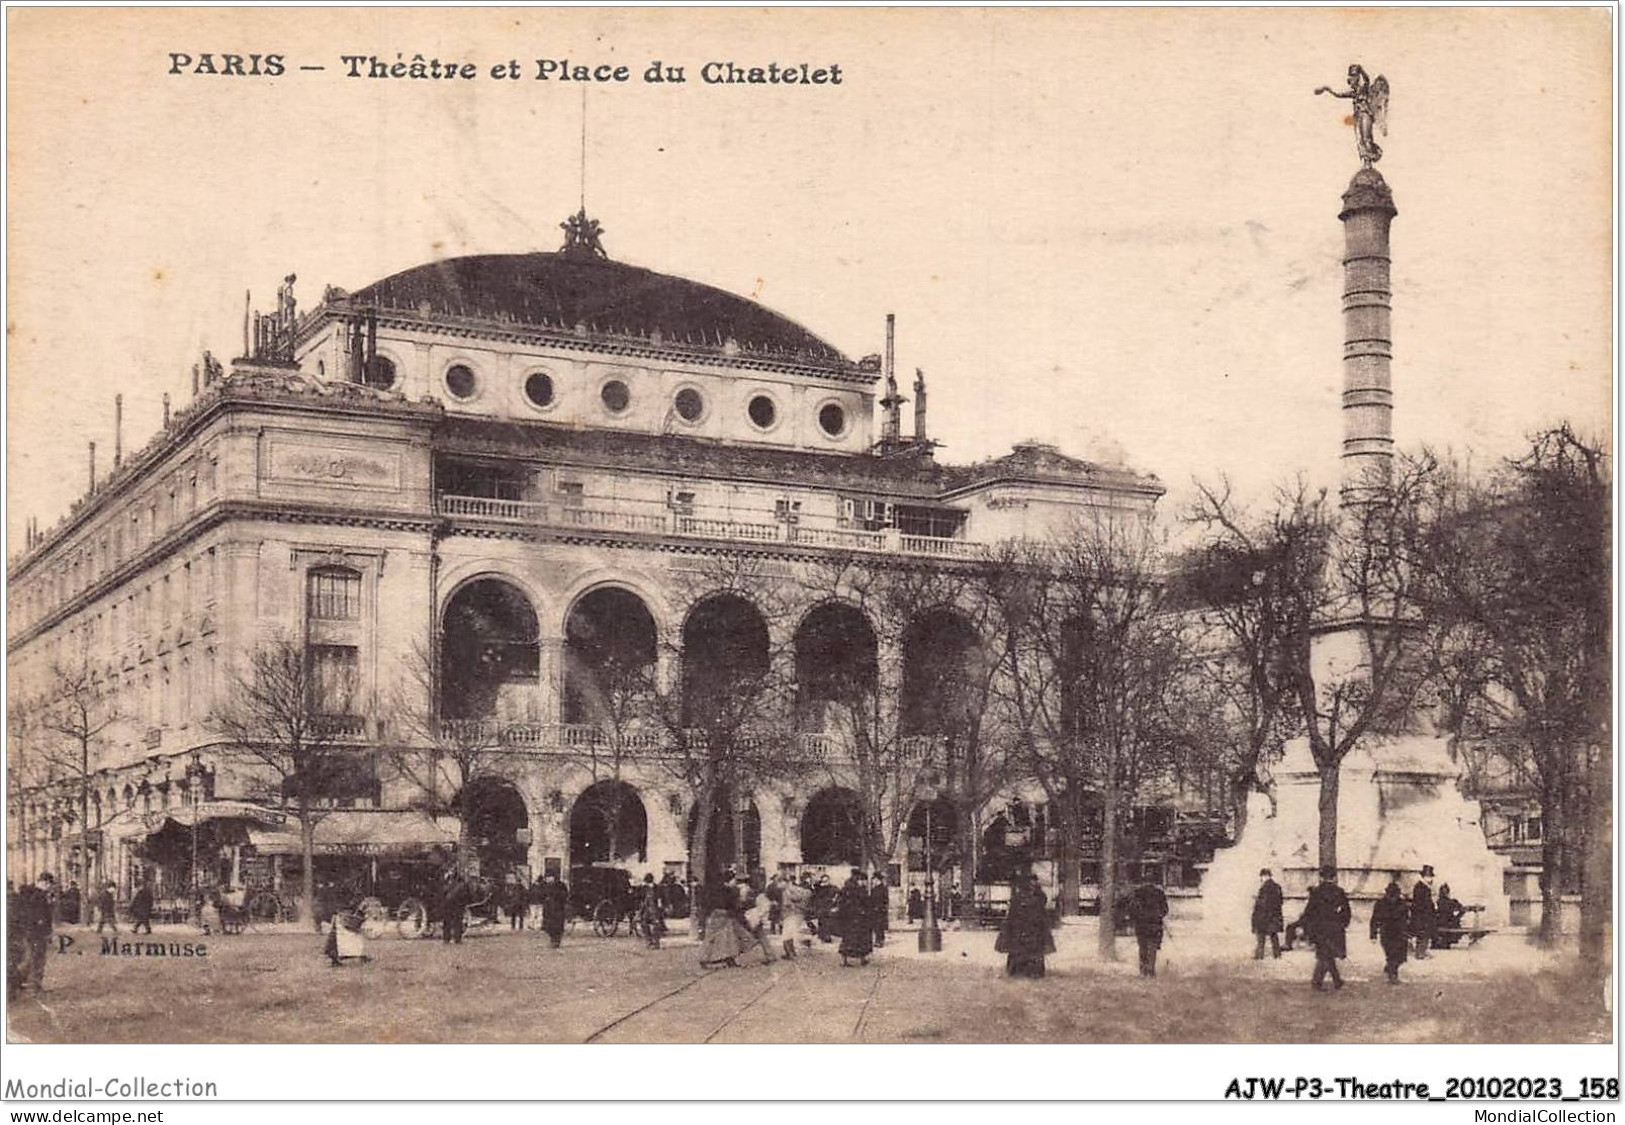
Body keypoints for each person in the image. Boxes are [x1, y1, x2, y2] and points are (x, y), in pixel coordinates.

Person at [1301, 866, 1351, 992]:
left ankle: (1329, 981)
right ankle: (1328, 981)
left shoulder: (1316, 892)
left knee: (1325, 954)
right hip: (1334, 929)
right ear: (1334, 878)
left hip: (1319, 929)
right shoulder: (1339, 892)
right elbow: (1346, 911)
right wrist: (1342, 924)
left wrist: (1307, 929)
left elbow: (1309, 912)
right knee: (1327, 955)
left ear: (1321, 877)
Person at [997, 872, 1055, 978]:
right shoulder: (1019, 897)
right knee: (1019, 949)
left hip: (1035, 927)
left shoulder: (1038, 896)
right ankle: (1017, 970)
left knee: (1034, 950)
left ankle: (1034, 971)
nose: (1033, 883)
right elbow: (1013, 913)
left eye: (1034, 881)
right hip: (1021, 927)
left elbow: (1042, 906)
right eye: (1031, 881)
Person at [14, 873, 56, 996]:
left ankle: (17, 982)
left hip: (29, 932)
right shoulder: (40, 896)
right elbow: (41, 917)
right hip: (38, 933)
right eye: (49, 884)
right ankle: (35, 987)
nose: (50, 887)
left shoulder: (28, 894)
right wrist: (46, 931)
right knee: (38, 959)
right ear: (45, 882)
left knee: (30, 958)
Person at [1369, 874, 1410, 984]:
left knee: (1401, 957)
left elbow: (1407, 919)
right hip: (1387, 933)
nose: (1392, 897)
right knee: (1392, 955)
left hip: (1400, 933)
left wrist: (1409, 932)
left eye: (1395, 895)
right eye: (1390, 895)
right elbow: (1374, 920)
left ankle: (1389, 968)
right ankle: (1393, 976)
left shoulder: (1402, 904)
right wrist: (1373, 935)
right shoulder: (1381, 904)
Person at [1127, 875, 1170, 977]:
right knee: (1152, 947)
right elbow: (1165, 910)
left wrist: (1135, 918)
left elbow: (1132, 908)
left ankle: (1143, 970)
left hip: (1141, 924)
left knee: (1143, 947)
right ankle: (1150, 970)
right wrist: (1159, 916)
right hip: (1155, 924)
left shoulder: (1138, 893)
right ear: (1154, 882)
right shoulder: (1159, 893)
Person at [698, 877, 746, 968]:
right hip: (724, 916)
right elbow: (733, 903)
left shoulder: (712, 890)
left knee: (715, 939)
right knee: (729, 940)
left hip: (715, 915)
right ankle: (727, 959)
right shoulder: (728, 890)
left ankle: (707, 959)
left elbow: (706, 904)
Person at [837, 869, 874, 967]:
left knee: (849, 938)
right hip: (857, 917)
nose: (864, 882)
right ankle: (861, 959)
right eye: (863, 880)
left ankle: (845, 960)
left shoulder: (846, 888)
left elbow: (841, 902)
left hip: (849, 917)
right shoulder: (857, 889)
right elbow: (864, 901)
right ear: (858, 879)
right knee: (859, 938)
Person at [740, 874, 776, 965]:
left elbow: (743, 903)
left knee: (749, 935)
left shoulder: (745, 891)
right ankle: (770, 955)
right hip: (755, 916)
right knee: (761, 936)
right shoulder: (758, 894)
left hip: (749, 915)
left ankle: (743, 958)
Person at [1251, 868, 1284, 960]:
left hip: (1264, 915)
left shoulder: (1264, 888)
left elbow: (1263, 903)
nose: (1261, 879)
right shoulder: (1277, 886)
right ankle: (1277, 955)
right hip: (1275, 915)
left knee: (1261, 936)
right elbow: (1280, 901)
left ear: (1265, 876)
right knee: (1274, 935)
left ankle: (1259, 955)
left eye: (1262, 877)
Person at [779, 875, 811, 959]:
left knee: (786, 934)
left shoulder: (789, 890)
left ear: (785, 882)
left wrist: (790, 901)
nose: (779, 884)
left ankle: (790, 954)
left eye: (780, 882)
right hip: (793, 914)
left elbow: (795, 899)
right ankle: (791, 953)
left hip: (792, 914)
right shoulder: (790, 889)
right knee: (788, 934)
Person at [1410, 865, 1437, 960]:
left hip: (1425, 915)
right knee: (1422, 934)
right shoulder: (1420, 887)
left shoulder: (1425, 887)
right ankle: (1420, 953)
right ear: (1423, 876)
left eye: (1430, 876)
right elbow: (1421, 903)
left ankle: (1423, 951)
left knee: (1425, 934)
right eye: (1428, 876)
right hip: (1421, 915)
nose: (1430, 878)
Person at [537, 872, 570, 949]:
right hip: (548, 909)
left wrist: (556, 895)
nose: (548, 879)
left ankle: (556, 941)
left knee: (557, 926)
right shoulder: (545, 885)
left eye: (550, 877)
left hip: (558, 909)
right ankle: (552, 940)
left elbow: (565, 895)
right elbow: (540, 895)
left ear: (554, 877)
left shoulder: (560, 885)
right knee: (549, 927)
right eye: (547, 877)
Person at [638, 873, 666, 949]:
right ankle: (653, 942)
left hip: (652, 909)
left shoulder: (652, 888)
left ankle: (652, 942)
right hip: (650, 909)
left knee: (650, 925)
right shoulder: (653, 887)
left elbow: (639, 898)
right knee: (649, 925)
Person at [441, 871, 470, 945]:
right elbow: (466, 895)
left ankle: (446, 938)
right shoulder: (462, 884)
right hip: (457, 905)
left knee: (447, 921)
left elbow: (444, 892)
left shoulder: (448, 884)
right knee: (458, 921)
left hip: (447, 904)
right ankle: (457, 939)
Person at [1434, 883, 1466, 948]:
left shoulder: (1449, 902)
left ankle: (1441, 942)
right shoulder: (1440, 901)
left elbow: (1462, 910)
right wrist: (1456, 919)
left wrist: (1456, 919)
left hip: (1446, 923)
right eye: (1442, 892)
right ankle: (1441, 942)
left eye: (1445, 892)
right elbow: (1462, 910)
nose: (1443, 893)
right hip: (1445, 923)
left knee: (1439, 927)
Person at [809, 874, 837, 943]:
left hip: (828, 907)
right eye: (824, 881)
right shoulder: (819, 888)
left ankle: (826, 936)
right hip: (820, 907)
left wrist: (835, 902)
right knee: (821, 922)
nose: (825, 882)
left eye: (826, 880)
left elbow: (839, 894)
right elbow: (814, 896)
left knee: (827, 922)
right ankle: (822, 936)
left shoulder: (832, 887)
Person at [869, 871, 891, 948]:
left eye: (874, 879)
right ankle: (877, 940)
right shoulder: (873, 889)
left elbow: (886, 900)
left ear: (878, 880)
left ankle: (880, 941)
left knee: (880, 926)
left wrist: (882, 907)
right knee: (875, 926)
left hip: (880, 910)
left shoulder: (883, 889)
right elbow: (871, 899)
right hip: (874, 910)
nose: (873, 881)